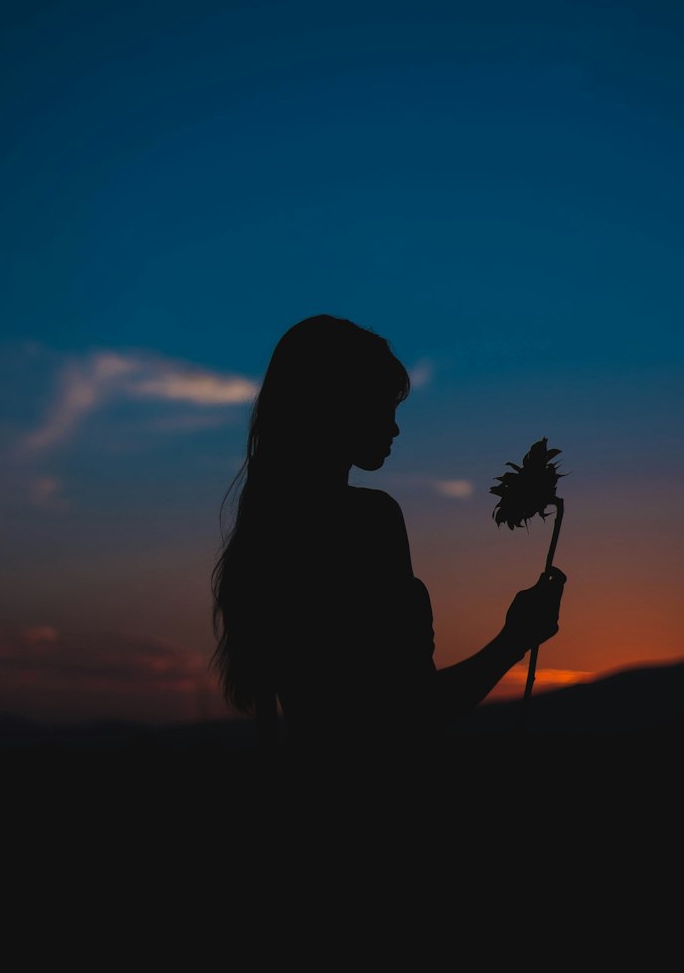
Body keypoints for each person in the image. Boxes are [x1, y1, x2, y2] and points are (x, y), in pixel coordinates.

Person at [210, 314, 566, 767]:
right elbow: (405, 712)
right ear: (336, 405)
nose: (395, 428)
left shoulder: (271, 533)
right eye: (382, 405)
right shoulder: (365, 520)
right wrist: (514, 639)